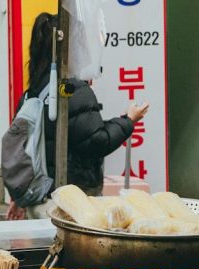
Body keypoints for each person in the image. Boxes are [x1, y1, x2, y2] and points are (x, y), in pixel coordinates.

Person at [8, 13, 149, 220]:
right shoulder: (73, 89)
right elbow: (97, 141)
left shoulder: (33, 92)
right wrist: (128, 121)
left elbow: (20, 150)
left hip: (37, 202)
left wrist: (18, 198)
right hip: (70, 205)